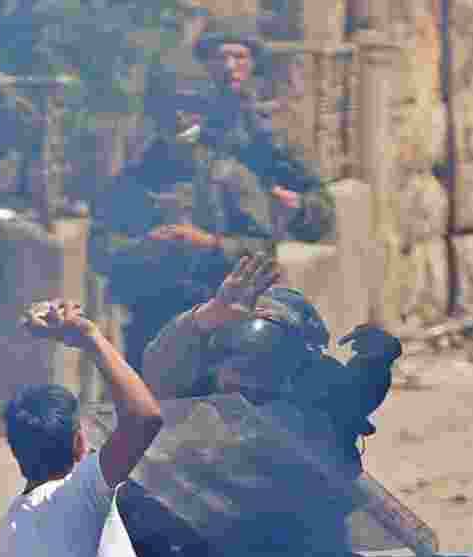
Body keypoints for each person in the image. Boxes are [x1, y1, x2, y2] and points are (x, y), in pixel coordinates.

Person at [92, 14, 336, 371]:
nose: (228, 67)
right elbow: (106, 242)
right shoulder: (149, 162)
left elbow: (306, 222)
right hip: (158, 310)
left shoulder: (265, 134)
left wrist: (295, 207)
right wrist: (151, 243)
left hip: (234, 298)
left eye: (238, 56)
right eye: (218, 57)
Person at [0, 299, 163, 557]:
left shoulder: (9, 528)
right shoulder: (83, 490)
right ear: (78, 443)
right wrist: (89, 337)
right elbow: (145, 417)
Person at [143, 253, 403, 478]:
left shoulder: (310, 388)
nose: (244, 376)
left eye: (264, 359)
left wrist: (375, 364)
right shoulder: (198, 388)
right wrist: (208, 315)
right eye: (235, 353)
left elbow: (354, 396)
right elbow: (158, 372)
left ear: (296, 364)